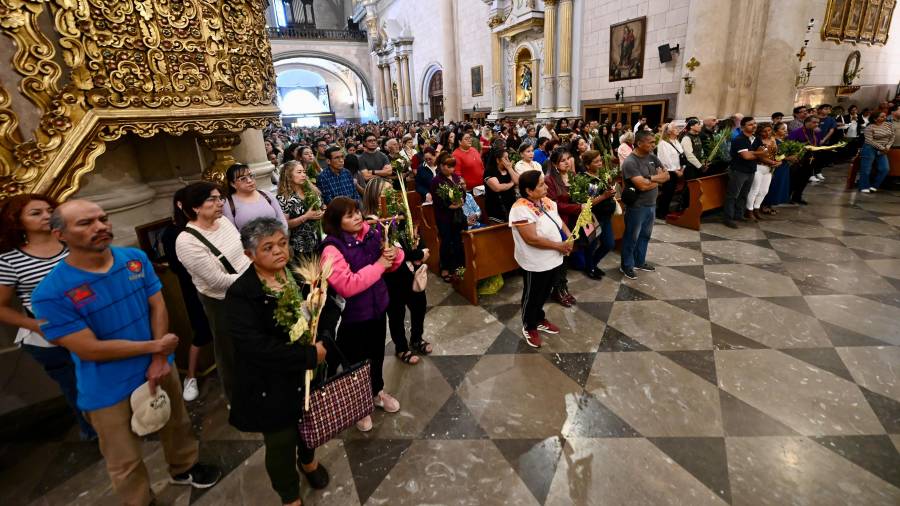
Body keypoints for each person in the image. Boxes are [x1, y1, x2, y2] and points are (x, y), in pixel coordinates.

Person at [32, 200, 221, 506]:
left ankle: (184, 466)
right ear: (59, 234)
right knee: (124, 457)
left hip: (159, 365)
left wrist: (160, 359)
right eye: (85, 223)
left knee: (177, 424)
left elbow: (157, 305)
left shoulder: (133, 260)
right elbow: (87, 348)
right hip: (107, 383)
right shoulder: (51, 292)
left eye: (103, 218)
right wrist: (154, 348)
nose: (100, 226)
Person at [225, 218, 330, 506]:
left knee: (310, 422)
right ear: (249, 255)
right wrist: (309, 355)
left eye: (282, 243)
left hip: (307, 373)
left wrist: (323, 336)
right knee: (281, 441)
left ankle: (308, 461)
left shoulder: (297, 275)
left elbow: (323, 310)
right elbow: (255, 347)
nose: (279, 251)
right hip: (271, 382)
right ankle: (289, 496)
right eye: (268, 247)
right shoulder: (242, 294)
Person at [0, 194, 97, 440]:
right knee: (76, 387)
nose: (46, 215)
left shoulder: (73, 244)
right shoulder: (10, 260)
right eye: (36, 213)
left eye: (49, 210)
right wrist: (35, 325)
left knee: (103, 378)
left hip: (91, 322)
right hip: (51, 334)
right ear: (17, 221)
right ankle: (92, 431)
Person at [320, 197, 405, 432]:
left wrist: (393, 255)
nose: (357, 217)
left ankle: (377, 392)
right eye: (349, 215)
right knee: (355, 364)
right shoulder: (332, 248)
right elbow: (347, 285)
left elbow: (392, 263)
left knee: (376, 355)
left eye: (357, 211)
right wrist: (379, 264)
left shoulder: (370, 233)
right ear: (337, 222)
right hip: (352, 316)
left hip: (377, 307)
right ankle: (359, 406)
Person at [175, 182, 251, 402]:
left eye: (221, 198)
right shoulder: (187, 241)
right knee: (230, 351)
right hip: (222, 301)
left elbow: (242, 251)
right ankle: (237, 400)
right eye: (213, 199)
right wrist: (254, 278)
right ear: (195, 207)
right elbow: (217, 281)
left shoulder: (224, 222)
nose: (220, 204)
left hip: (246, 287)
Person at [508, 171, 572, 348]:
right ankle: (529, 325)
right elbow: (531, 239)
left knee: (545, 292)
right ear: (528, 190)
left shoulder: (547, 201)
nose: (546, 187)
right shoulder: (520, 208)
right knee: (532, 294)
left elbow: (559, 222)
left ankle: (539, 318)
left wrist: (569, 237)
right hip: (535, 262)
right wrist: (559, 246)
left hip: (554, 258)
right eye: (541, 185)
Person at [163, 189, 214, 402]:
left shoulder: (210, 225)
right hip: (193, 288)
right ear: (183, 206)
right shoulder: (173, 232)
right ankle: (191, 376)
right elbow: (176, 266)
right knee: (201, 331)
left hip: (216, 284)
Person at [619, 130, 669, 280]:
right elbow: (641, 186)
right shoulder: (630, 162)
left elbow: (666, 176)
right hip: (637, 206)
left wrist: (650, 179)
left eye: (654, 142)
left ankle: (639, 261)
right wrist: (656, 180)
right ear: (640, 143)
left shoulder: (652, 157)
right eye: (651, 142)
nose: (654, 145)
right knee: (631, 237)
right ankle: (626, 265)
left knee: (645, 236)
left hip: (651, 204)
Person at [545, 149, 580, 307]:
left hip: (574, 221)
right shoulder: (549, 180)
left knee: (567, 257)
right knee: (561, 258)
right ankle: (557, 289)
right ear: (554, 164)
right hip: (560, 222)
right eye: (562, 160)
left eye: (568, 158)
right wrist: (578, 207)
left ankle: (563, 286)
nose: (567, 162)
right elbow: (554, 206)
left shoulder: (573, 176)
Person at [581, 151, 618, 280]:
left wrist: (611, 190)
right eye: (596, 162)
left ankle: (592, 264)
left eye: (600, 160)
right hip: (592, 217)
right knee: (591, 244)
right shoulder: (587, 179)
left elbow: (607, 191)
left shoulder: (601, 174)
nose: (600, 163)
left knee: (609, 244)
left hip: (605, 216)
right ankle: (589, 267)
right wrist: (604, 196)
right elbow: (588, 202)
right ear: (587, 165)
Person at [277, 160, 325, 261]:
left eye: (304, 172)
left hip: (319, 239)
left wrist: (321, 212)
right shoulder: (284, 198)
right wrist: (306, 216)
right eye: (299, 172)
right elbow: (285, 224)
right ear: (288, 175)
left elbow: (322, 207)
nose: (303, 175)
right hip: (300, 246)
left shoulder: (312, 190)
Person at [430, 153, 467, 282]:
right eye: (449, 166)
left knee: (458, 241)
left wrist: (463, 193)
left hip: (458, 215)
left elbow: (463, 194)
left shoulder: (456, 177)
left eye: (453, 167)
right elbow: (438, 201)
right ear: (441, 166)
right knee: (446, 242)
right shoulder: (436, 181)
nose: (452, 169)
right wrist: (450, 206)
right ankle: (445, 268)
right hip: (445, 217)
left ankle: (459, 267)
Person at [223, 163, 288, 232]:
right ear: (233, 184)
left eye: (251, 176)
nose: (249, 180)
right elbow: (232, 232)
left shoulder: (267, 195)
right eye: (243, 179)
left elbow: (282, 220)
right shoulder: (228, 203)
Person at [723, 117, 763, 228]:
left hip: (751, 170)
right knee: (733, 195)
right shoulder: (739, 139)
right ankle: (728, 218)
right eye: (750, 124)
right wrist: (758, 153)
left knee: (744, 195)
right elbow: (746, 156)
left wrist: (755, 153)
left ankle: (738, 215)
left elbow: (762, 153)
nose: (754, 126)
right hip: (738, 171)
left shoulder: (756, 139)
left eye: (755, 123)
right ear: (743, 126)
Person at [745, 124, 780, 220]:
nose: (767, 133)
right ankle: (749, 210)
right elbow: (758, 155)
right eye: (764, 131)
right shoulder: (757, 140)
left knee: (764, 190)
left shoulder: (773, 140)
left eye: (769, 130)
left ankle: (757, 208)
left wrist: (779, 161)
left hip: (768, 169)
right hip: (758, 167)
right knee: (754, 190)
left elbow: (776, 153)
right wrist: (772, 162)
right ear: (760, 132)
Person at [787, 115, 823, 205]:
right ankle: (787, 197)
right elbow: (789, 145)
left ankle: (797, 196)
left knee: (804, 179)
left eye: (818, 122)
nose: (816, 124)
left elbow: (817, 144)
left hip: (811, 158)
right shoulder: (797, 132)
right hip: (799, 159)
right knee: (794, 179)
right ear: (807, 122)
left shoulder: (816, 133)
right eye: (814, 122)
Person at [858, 111, 895, 193]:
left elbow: (892, 136)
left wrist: (887, 147)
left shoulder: (888, 125)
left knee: (885, 169)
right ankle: (863, 186)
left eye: (885, 116)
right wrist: (882, 148)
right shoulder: (870, 127)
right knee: (866, 169)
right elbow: (869, 141)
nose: (884, 118)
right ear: (875, 119)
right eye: (882, 117)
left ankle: (875, 185)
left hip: (884, 148)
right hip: (869, 148)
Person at [655, 123, 686, 219]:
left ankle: (666, 209)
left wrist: (682, 168)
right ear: (669, 131)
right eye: (675, 128)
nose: (678, 129)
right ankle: (661, 212)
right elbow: (664, 160)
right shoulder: (663, 143)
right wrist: (675, 171)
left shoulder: (677, 141)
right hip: (669, 171)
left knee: (671, 192)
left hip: (677, 170)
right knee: (667, 192)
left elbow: (681, 156)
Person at [761, 122, 794, 212]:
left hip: (783, 167)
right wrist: (787, 157)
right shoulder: (774, 141)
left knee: (779, 186)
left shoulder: (783, 141)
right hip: (776, 167)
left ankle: (770, 205)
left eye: (786, 129)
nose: (785, 131)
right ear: (775, 131)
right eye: (783, 129)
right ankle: (764, 206)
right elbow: (774, 155)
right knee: (772, 185)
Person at [484, 146, 519, 222]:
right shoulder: (489, 171)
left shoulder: (509, 169)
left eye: (508, 158)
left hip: (511, 207)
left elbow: (518, 181)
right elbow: (497, 188)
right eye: (505, 158)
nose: (508, 161)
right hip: (497, 209)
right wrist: (511, 183)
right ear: (497, 160)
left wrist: (510, 168)